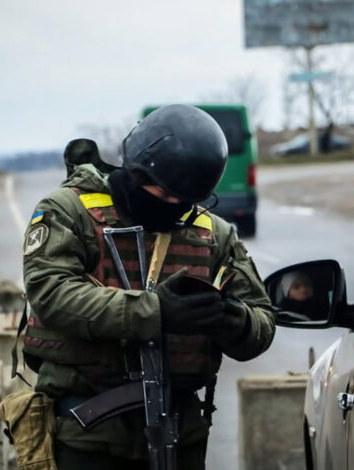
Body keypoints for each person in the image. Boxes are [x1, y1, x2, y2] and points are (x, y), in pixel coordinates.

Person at [20, 104, 275, 469]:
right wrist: (156, 312)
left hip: (180, 431)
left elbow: (262, 322)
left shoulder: (211, 233)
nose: (172, 207)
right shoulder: (68, 211)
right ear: (136, 170)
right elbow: (51, 293)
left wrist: (226, 317)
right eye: (165, 194)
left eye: (183, 202)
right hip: (87, 433)